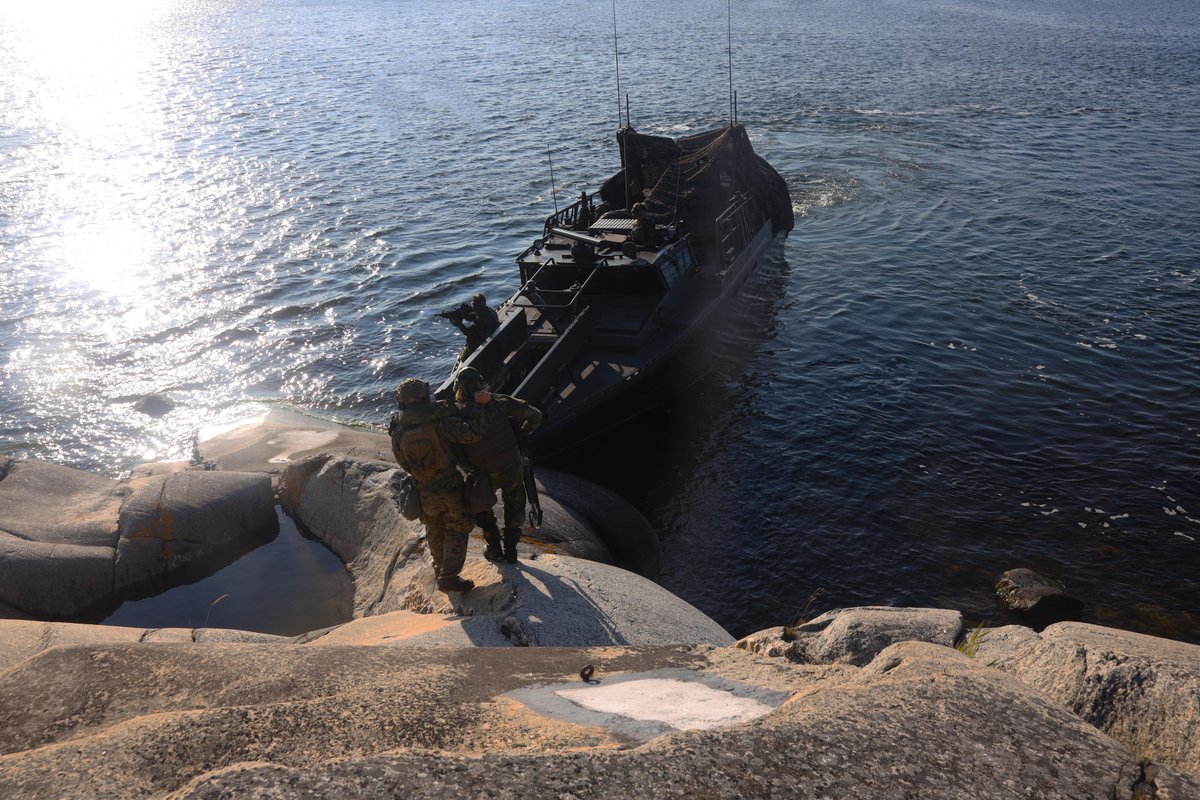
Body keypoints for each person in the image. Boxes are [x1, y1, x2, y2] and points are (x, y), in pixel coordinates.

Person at [388, 377, 487, 594]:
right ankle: (449, 577)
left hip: (423, 488)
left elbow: (403, 463)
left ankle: (439, 568)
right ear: (424, 397)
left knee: (434, 528)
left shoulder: (397, 432)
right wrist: (480, 407)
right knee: (458, 527)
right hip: (449, 485)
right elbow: (473, 433)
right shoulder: (439, 421)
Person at [452, 367, 542, 564]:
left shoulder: (456, 414)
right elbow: (535, 415)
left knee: (482, 508)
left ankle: (493, 547)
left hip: (483, 471)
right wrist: (522, 435)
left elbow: (454, 448)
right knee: (515, 505)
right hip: (511, 464)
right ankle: (511, 549)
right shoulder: (498, 402)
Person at [448, 293, 500, 358]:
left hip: (487, 340)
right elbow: (473, 317)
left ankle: (474, 357)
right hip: (492, 333)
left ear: (479, 305)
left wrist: (459, 324)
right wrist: (463, 315)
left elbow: (467, 332)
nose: (472, 306)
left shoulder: (481, 319)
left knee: (469, 338)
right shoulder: (488, 310)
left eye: (473, 304)